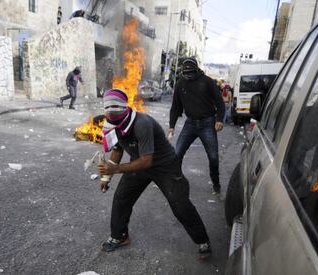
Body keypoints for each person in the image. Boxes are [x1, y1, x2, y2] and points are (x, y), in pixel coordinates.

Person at [96, 89, 212, 258]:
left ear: (125, 107)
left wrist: (115, 169)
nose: (111, 112)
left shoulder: (141, 124)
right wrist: (107, 176)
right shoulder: (112, 123)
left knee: (180, 204)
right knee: (122, 198)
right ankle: (120, 236)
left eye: (115, 108)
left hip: (164, 165)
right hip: (138, 163)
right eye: (108, 109)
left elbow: (147, 161)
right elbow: (118, 149)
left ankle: (203, 241)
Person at [167, 58, 225, 195]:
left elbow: (220, 102)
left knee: (213, 157)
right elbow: (175, 107)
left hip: (208, 124)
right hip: (190, 124)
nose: (189, 75)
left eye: (191, 72)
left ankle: (216, 183)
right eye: (186, 73)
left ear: (196, 69)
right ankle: (176, 179)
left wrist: (219, 120)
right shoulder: (180, 84)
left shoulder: (207, 81)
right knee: (177, 153)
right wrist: (171, 126)